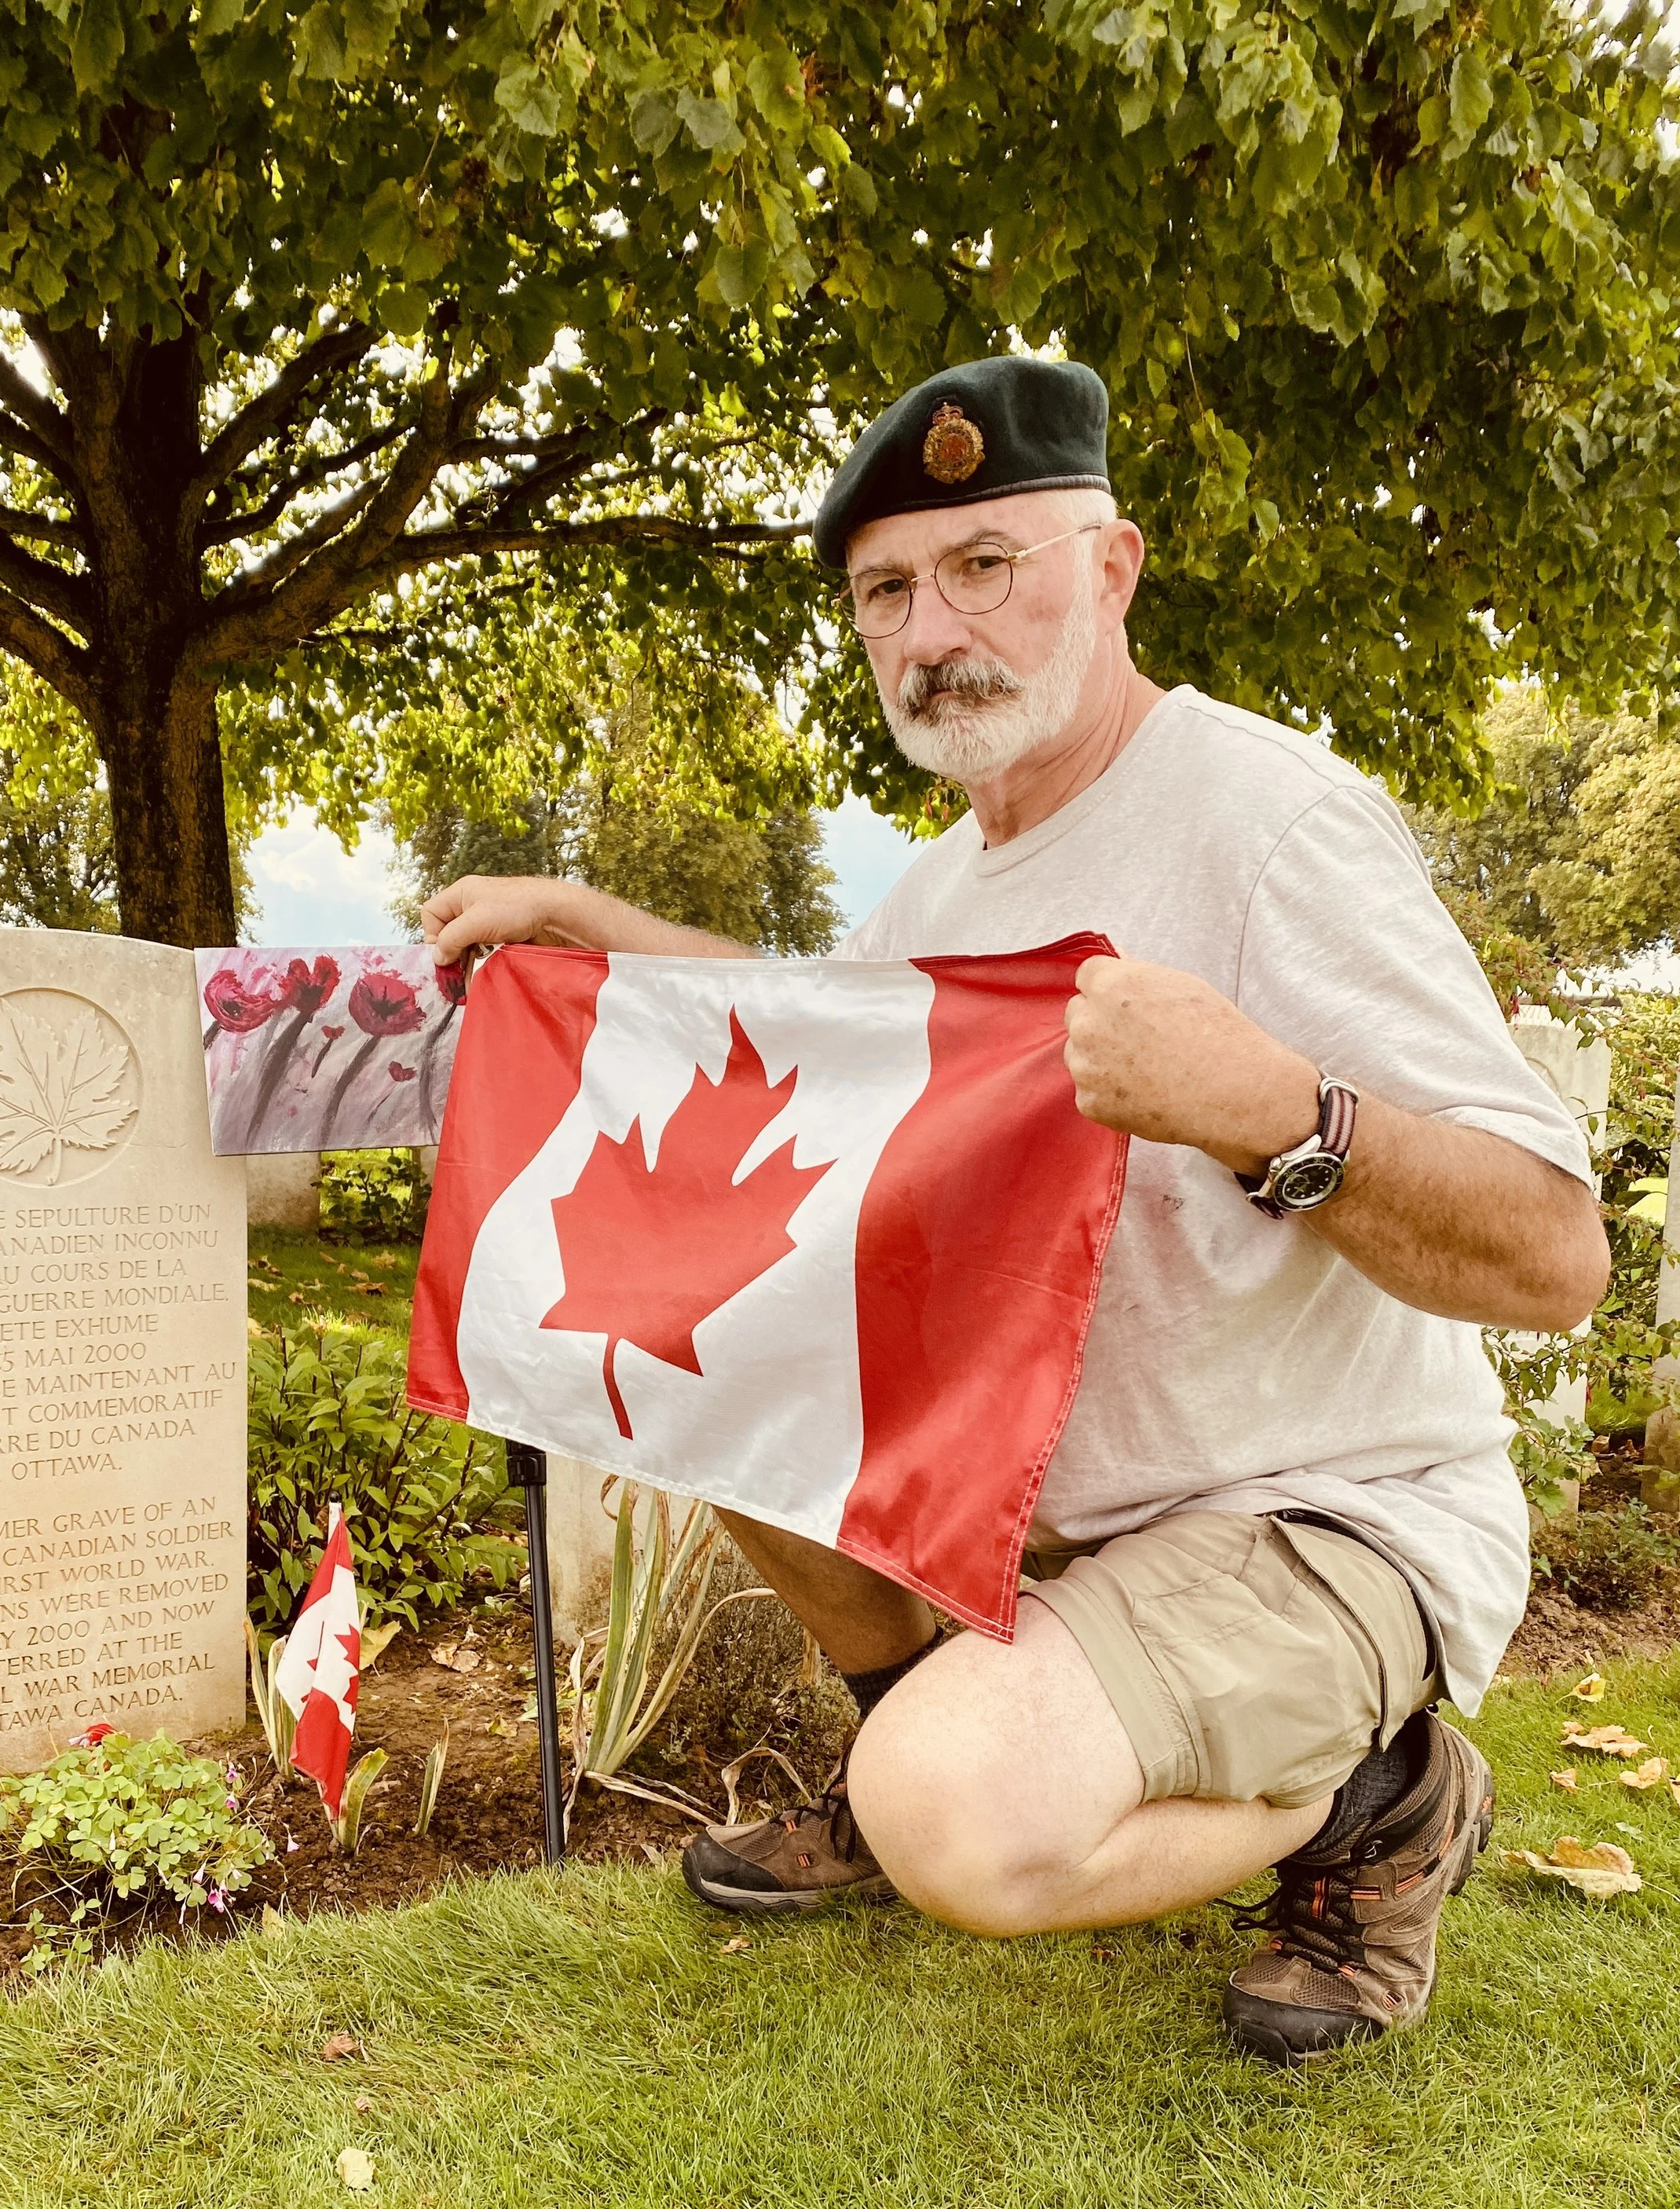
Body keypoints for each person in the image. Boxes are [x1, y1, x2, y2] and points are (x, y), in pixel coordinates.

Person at [422, 354, 1609, 2069]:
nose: (929, 627)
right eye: (885, 591)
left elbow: (1555, 1254)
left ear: (1109, 568)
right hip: (1053, 1514)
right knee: (665, 1351)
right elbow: (810, 1033)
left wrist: (1280, 1115)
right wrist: (573, 920)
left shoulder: (1268, 822)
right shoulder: (942, 876)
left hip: (1318, 1513)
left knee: (954, 1813)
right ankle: (924, 1726)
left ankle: (1383, 1797)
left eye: (986, 564)